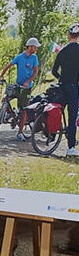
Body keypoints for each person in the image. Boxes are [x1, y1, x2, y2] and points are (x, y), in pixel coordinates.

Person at [0, 37, 41, 139]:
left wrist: (28, 82)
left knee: (24, 110)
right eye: (35, 47)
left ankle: (20, 133)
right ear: (30, 47)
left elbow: (35, 73)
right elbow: (8, 66)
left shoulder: (34, 58)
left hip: (27, 88)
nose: (36, 49)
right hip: (18, 85)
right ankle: (9, 113)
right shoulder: (20, 57)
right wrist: (1, 76)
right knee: (5, 99)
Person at [52, 23, 79, 156]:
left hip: (62, 86)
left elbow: (53, 71)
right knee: (72, 117)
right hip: (74, 87)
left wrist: (61, 78)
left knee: (56, 111)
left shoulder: (62, 51)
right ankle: (70, 148)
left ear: (69, 35)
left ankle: (51, 135)